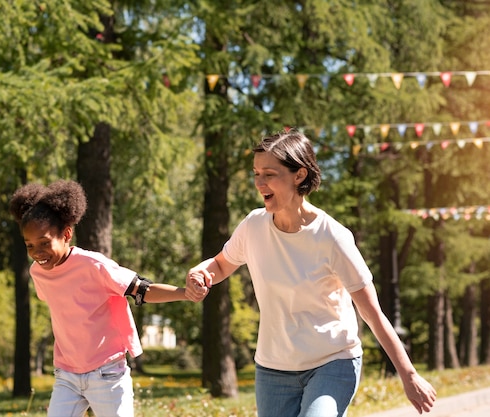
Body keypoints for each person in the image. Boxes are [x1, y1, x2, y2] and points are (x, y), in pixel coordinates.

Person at [185, 130, 437, 417]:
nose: (259, 183)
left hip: (332, 362)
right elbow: (220, 264)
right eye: (256, 173)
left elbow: (372, 313)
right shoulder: (254, 226)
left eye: (269, 174)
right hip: (274, 368)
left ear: (299, 175)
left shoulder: (332, 237)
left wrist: (409, 374)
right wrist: (200, 271)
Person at [9, 179, 191, 417]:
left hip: (107, 374)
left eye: (44, 243)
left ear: (66, 234)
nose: (37, 253)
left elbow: (142, 289)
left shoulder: (94, 265)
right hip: (67, 374)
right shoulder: (38, 272)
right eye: (30, 245)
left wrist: (184, 293)